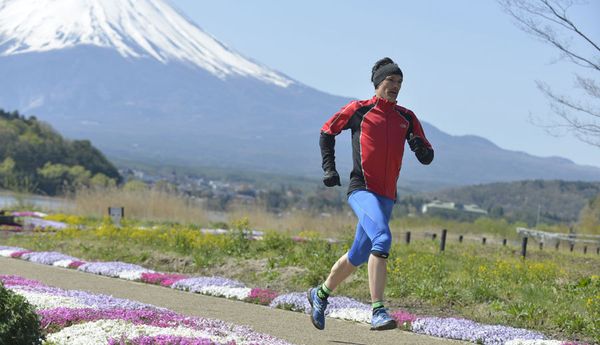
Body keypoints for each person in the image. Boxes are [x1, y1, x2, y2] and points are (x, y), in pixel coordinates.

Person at [308, 57, 434, 331]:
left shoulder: (407, 118)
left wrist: (418, 147)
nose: (396, 86)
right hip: (362, 190)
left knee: (359, 254)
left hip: (387, 196)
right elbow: (327, 131)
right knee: (383, 237)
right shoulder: (359, 110)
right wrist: (329, 169)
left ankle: (319, 295)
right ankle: (377, 310)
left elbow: (427, 156)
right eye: (391, 81)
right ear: (378, 83)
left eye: (400, 82)